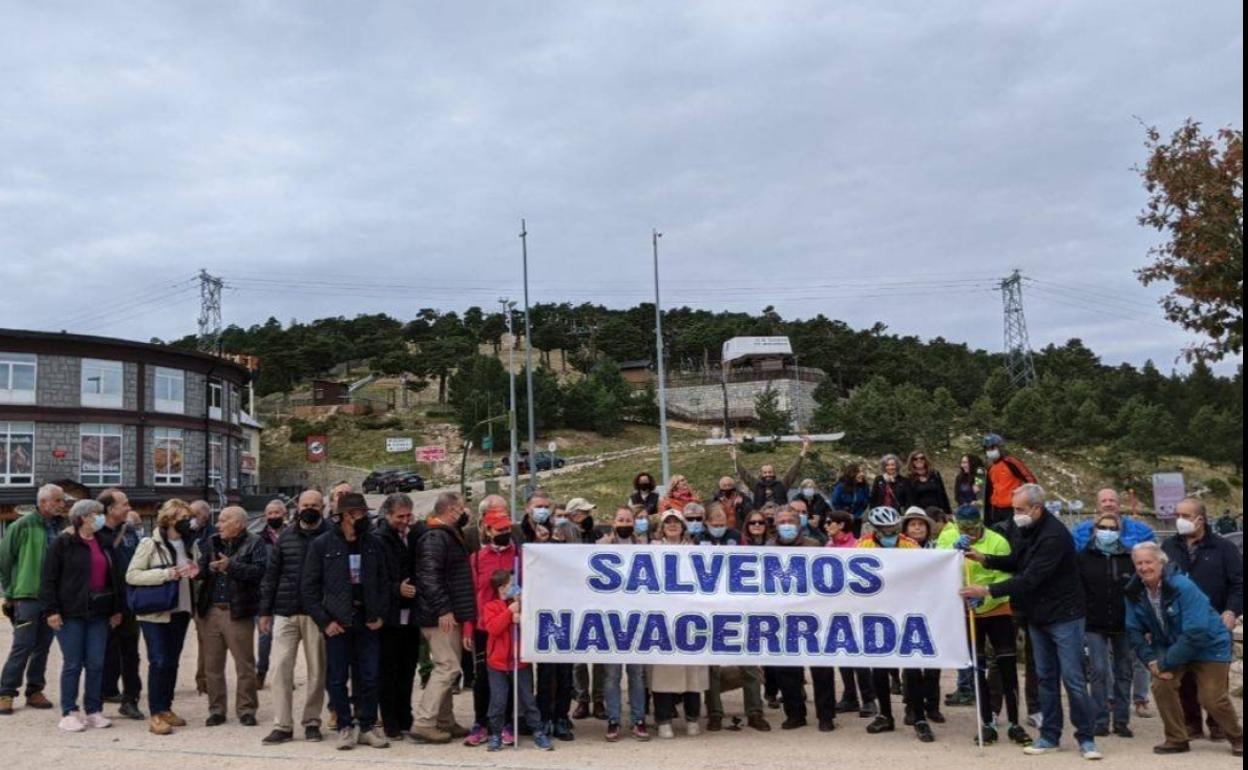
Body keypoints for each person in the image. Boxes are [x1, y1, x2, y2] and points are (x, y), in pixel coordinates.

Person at [961, 483, 1101, 759]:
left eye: (1019, 509)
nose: (1015, 514)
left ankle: (1087, 738)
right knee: (1045, 678)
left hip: (1065, 616)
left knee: (1072, 678)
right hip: (1038, 615)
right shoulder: (1026, 528)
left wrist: (987, 590)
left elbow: (1030, 577)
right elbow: (1016, 560)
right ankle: (1049, 735)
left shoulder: (1054, 536)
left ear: (1037, 508)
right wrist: (985, 559)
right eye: (1014, 509)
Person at [1125, 542, 1243, 756]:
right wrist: (1151, 660)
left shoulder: (1182, 586)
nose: (1144, 567)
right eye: (1139, 563)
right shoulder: (1133, 591)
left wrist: (1165, 663)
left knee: (1211, 698)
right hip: (1170, 644)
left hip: (1208, 644)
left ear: (1161, 562)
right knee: (1161, 684)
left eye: (1149, 562)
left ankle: (1237, 737)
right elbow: (1133, 630)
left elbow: (1196, 632)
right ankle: (1177, 738)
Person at [302, 492, 390, 750]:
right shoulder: (321, 545)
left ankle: (366, 726)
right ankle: (344, 726)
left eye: (365, 513)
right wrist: (325, 621)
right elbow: (309, 589)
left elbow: (384, 582)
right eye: (359, 514)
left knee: (370, 676)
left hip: (368, 620)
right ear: (344, 516)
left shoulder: (373, 544)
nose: (364, 518)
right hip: (337, 621)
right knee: (337, 678)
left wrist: (380, 615)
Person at [940, 504, 1032, 746]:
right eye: (963, 527)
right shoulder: (948, 535)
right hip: (967, 610)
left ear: (981, 523)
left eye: (972, 527)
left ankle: (1014, 723)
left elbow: (1005, 576)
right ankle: (987, 722)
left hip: (996, 606)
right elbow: (938, 564)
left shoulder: (997, 541)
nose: (968, 532)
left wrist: (987, 594)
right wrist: (952, 550)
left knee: (1007, 664)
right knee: (978, 666)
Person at [1160, 497, 1243, 742]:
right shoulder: (1169, 546)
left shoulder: (1223, 548)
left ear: (1201, 519)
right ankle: (1191, 723)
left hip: (1215, 623)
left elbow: (1239, 584)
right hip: (1180, 624)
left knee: (1214, 682)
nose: (1180, 520)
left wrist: (1231, 611)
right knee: (1184, 678)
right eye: (1178, 515)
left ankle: (1218, 724)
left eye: (1185, 516)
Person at [41, 499, 124, 732]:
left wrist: (116, 608)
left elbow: (114, 578)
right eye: (97, 514)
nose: (100, 518)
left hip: (99, 612)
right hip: (70, 613)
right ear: (84, 517)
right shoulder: (63, 543)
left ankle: (94, 710)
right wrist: (52, 610)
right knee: (73, 663)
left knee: (96, 663)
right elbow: (48, 579)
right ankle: (69, 711)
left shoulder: (104, 543)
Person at [259, 489, 329, 745]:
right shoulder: (285, 537)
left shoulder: (331, 534)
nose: (309, 508)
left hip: (317, 614)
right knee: (279, 668)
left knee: (317, 671)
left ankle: (312, 721)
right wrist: (265, 611)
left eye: (315, 504)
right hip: (285, 611)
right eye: (305, 504)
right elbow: (271, 576)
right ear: (297, 507)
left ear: (323, 507)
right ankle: (282, 724)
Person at [126, 498, 199, 735]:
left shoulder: (189, 544)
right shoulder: (150, 543)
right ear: (169, 521)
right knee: (158, 660)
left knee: (172, 660)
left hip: (181, 609)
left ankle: (166, 707)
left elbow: (194, 570)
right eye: (183, 519)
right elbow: (132, 575)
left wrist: (196, 570)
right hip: (156, 612)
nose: (188, 523)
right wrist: (165, 574)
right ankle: (156, 713)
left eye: (189, 518)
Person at [859, 506, 930, 741]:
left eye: (894, 528)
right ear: (876, 529)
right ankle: (885, 716)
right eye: (886, 529)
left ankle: (919, 716)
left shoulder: (910, 544)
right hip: (876, 612)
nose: (891, 532)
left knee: (912, 668)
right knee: (879, 667)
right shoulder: (863, 545)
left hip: (906, 611)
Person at [411, 491, 476, 744]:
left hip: (447, 612)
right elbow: (429, 576)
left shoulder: (444, 534)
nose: (465, 513)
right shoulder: (436, 537)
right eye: (462, 508)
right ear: (451, 510)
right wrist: (444, 609)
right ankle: (425, 721)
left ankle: (445, 719)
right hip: (439, 615)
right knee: (447, 666)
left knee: (450, 666)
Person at [194, 505, 267, 727]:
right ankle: (216, 709)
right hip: (211, 610)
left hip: (238, 611)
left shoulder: (255, 542)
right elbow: (202, 569)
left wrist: (230, 566)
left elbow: (259, 573)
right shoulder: (212, 541)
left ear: (239, 523)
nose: (218, 524)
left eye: (224, 520)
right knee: (212, 666)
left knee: (244, 665)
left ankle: (246, 709)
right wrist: (199, 569)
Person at [700, 504, 768, 733]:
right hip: (708, 608)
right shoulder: (697, 539)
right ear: (706, 521)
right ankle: (714, 713)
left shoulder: (737, 537)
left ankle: (755, 712)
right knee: (712, 666)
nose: (719, 523)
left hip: (739, 605)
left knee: (748, 663)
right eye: (714, 520)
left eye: (722, 519)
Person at [0, 483, 66, 715]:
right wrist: (10, 593)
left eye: (62, 501)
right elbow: (4, 561)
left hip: (52, 600)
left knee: (43, 647)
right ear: (43, 502)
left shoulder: (61, 528)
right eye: (57, 500)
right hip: (27, 597)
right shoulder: (22, 526)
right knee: (23, 645)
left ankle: (35, 690)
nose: (62, 505)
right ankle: (6, 692)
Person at [769, 507, 835, 732]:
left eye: (790, 520)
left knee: (822, 668)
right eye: (782, 521)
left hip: (814, 613)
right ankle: (795, 714)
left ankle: (826, 716)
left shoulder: (813, 546)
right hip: (782, 615)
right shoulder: (767, 549)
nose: (786, 524)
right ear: (775, 525)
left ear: (799, 524)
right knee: (787, 669)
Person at [649, 509, 709, 738]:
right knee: (663, 672)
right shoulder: (652, 550)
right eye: (668, 522)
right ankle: (663, 718)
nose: (672, 525)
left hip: (691, 618)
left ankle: (693, 717)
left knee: (693, 672)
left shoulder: (696, 551)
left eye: (677, 522)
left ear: (683, 526)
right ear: (662, 527)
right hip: (662, 619)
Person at [1077, 512, 1136, 739]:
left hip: (1124, 623)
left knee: (1124, 671)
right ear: (1095, 529)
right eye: (1104, 527)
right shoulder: (1083, 557)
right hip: (1094, 623)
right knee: (1098, 671)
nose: (1108, 531)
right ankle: (1100, 720)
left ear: (1119, 531)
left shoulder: (1129, 557)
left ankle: (1121, 720)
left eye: (1113, 528)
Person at [479, 568, 554, 751]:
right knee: (498, 700)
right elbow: (494, 628)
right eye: (512, 584)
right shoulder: (491, 606)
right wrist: (508, 614)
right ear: (502, 588)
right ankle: (495, 734)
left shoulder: (523, 604)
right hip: (497, 663)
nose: (516, 587)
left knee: (528, 699)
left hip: (519, 661)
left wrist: (522, 617)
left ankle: (537, 731)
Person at [596, 507, 654, 740]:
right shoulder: (601, 547)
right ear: (613, 521)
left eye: (629, 519)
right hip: (611, 619)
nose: (625, 523)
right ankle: (613, 719)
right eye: (621, 519)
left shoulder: (645, 547)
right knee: (611, 675)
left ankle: (638, 719)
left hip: (637, 619)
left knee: (636, 674)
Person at [464, 503, 517, 747]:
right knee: (482, 677)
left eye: (507, 528)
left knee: (510, 675)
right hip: (485, 627)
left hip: (511, 625)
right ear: (487, 530)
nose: (504, 533)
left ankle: (507, 722)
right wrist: (468, 627)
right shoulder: (476, 559)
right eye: (498, 529)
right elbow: (472, 594)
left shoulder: (519, 554)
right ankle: (481, 722)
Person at [373, 493, 424, 741]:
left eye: (408, 515)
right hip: (390, 615)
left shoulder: (412, 535)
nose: (404, 521)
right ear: (388, 515)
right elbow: (375, 577)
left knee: (407, 667)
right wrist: (396, 588)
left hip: (410, 614)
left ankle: (405, 715)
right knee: (389, 669)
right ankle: (390, 720)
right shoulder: (378, 539)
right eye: (399, 516)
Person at [96, 489, 144, 721]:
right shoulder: (93, 534)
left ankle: (130, 699)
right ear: (109, 509)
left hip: (128, 603)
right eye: (124, 504)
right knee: (98, 653)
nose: (128, 507)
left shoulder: (130, 531)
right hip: (101, 604)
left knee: (131, 654)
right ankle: (96, 700)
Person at [825, 509, 873, 717]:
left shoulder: (858, 545)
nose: (826, 526)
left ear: (841, 525)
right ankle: (850, 696)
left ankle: (869, 699)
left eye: (829, 522)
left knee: (859, 656)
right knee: (842, 653)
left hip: (856, 606)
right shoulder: (828, 546)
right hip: (836, 607)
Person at [898, 508, 944, 727]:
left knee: (934, 662)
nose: (917, 528)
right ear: (905, 528)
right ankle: (912, 706)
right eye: (912, 524)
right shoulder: (899, 551)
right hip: (908, 610)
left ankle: (932, 705)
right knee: (912, 663)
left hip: (933, 609)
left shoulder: (939, 550)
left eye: (921, 524)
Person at [537, 522, 581, 740]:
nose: (558, 540)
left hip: (569, 619)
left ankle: (561, 717)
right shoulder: (543, 557)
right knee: (546, 674)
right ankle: (544, 717)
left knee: (565, 676)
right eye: (555, 535)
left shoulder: (579, 561)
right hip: (547, 618)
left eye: (563, 536)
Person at [255, 499, 287, 691]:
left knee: (284, 638)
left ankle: (283, 676)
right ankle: (261, 671)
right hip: (264, 593)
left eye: (277, 513)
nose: (273, 516)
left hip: (285, 593)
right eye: (270, 513)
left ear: (284, 514)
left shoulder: (292, 534)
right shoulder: (258, 538)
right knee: (264, 636)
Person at [730, 438, 810, 508]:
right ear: (761, 474)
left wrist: (804, 450)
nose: (767, 474)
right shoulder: (756, 485)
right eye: (765, 472)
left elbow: (794, 470)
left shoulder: (782, 484)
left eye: (770, 472)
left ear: (774, 473)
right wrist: (735, 459)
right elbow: (744, 474)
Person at [187, 498, 214, 696]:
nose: (191, 519)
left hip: (203, 592)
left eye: (195, 515)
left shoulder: (212, 535)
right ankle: (202, 678)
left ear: (205, 515)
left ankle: (203, 679)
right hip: (186, 591)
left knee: (206, 639)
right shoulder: (186, 534)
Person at [981, 434, 1036, 526]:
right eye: (987, 449)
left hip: (1012, 508)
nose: (990, 451)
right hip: (996, 509)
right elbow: (989, 490)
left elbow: (1030, 479)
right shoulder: (991, 468)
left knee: (1014, 535)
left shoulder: (1011, 462)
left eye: (992, 448)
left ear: (1000, 447)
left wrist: (1029, 502)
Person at [831, 464, 871, 537]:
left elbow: (865, 504)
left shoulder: (864, 487)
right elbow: (835, 502)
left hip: (856, 520)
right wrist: (845, 515)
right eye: (859, 472)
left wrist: (855, 516)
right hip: (841, 520)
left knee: (855, 541)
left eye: (862, 472)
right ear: (851, 473)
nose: (862, 474)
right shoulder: (841, 486)